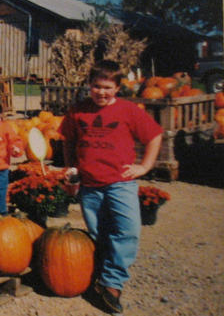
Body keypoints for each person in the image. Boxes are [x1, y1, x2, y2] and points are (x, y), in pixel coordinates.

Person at [59, 60, 163, 314]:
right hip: (90, 186)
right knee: (99, 233)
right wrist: (71, 168)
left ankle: (112, 284)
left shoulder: (129, 110)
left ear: (117, 88)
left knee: (127, 231)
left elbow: (154, 136)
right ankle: (99, 277)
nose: (101, 92)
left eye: (107, 87)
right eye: (96, 86)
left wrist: (144, 167)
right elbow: (68, 139)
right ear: (89, 85)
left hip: (121, 184)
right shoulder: (78, 111)